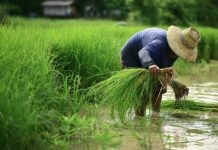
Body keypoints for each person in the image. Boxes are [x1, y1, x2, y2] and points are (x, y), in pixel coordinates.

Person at [120, 25, 201, 116]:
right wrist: (151, 64)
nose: (179, 53)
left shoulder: (174, 52)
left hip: (149, 56)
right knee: (142, 91)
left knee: (159, 87)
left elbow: (163, 71)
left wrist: (172, 82)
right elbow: (143, 52)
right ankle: (139, 119)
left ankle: (155, 116)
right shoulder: (160, 43)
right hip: (132, 57)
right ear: (177, 43)